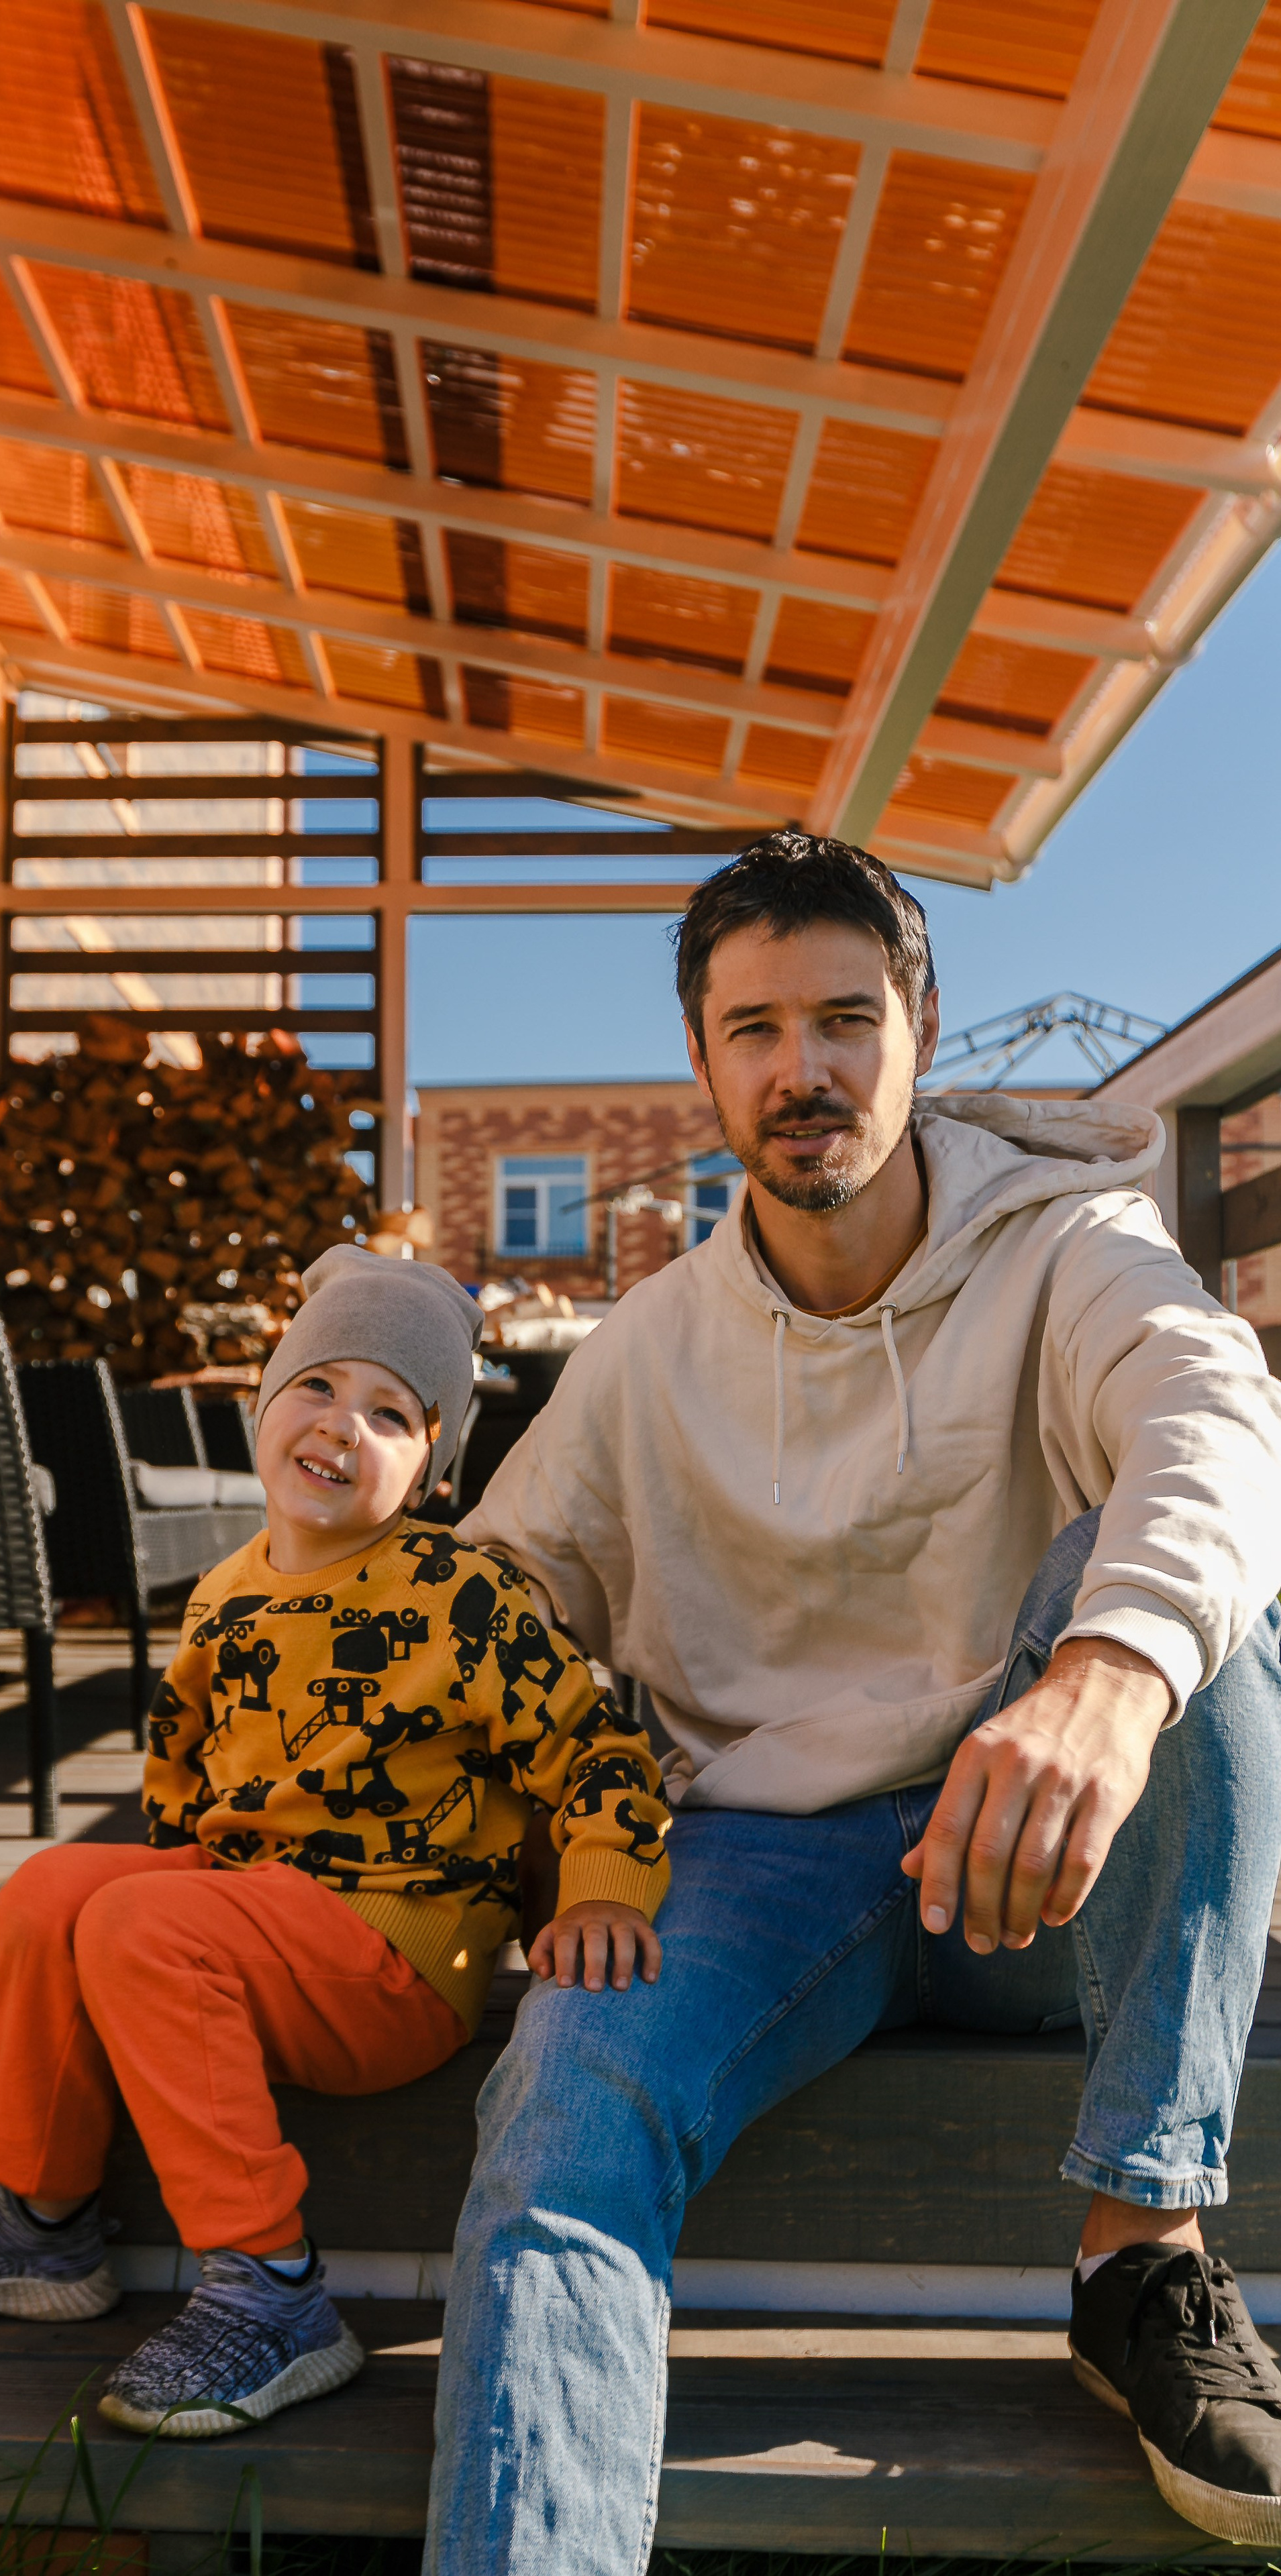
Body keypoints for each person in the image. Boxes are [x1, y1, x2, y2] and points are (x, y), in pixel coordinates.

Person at [425, 828, 1281, 2564]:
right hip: (756, 1867)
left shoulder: (1068, 1244)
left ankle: (1142, 2250)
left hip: (1034, 1865)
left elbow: (1211, 1413)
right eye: (752, 1030)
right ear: (701, 1061)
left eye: (842, 1019)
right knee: (566, 2091)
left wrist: (1106, 1678)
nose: (799, 1070)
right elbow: (500, 1602)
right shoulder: (649, 1344)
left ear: (921, 1028)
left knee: (1184, 1603)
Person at [0, 1246, 670, 2440]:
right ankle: (43, 2220)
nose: (342, 1425)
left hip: (397, 1953)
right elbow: (181, 1767)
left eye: (390, 1414)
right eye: (318, 1386)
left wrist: (602, 1890)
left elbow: (598, 1749)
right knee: (51, 1889)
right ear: (265, 1403)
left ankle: (271, 2289)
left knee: (139, 1923)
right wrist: (153, 1910)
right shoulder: (223, 1590)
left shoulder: (462, 1595)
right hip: (257, 1912)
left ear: (433, 1472)